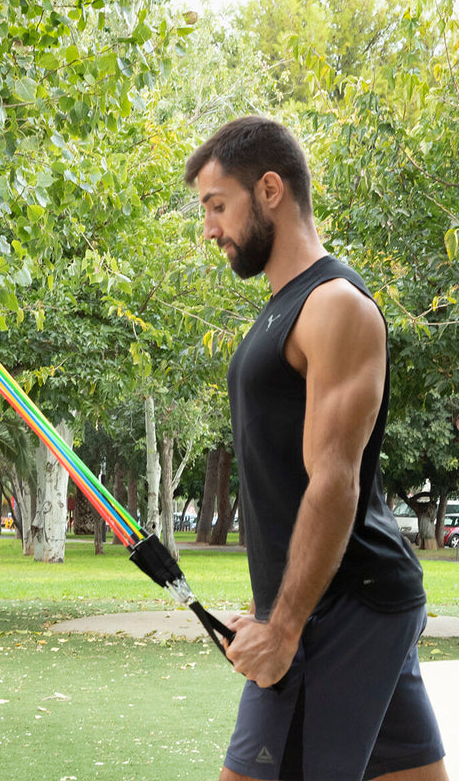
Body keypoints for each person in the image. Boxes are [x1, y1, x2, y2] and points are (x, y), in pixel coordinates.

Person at [184, 116, 448, 781]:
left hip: (341, 609)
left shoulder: (334, 306)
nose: (209, 229)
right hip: (353, 601)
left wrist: (285, 627)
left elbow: (335, 479)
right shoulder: (282, 307)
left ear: (270, 189)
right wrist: (275, 606)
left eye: (218, 206)